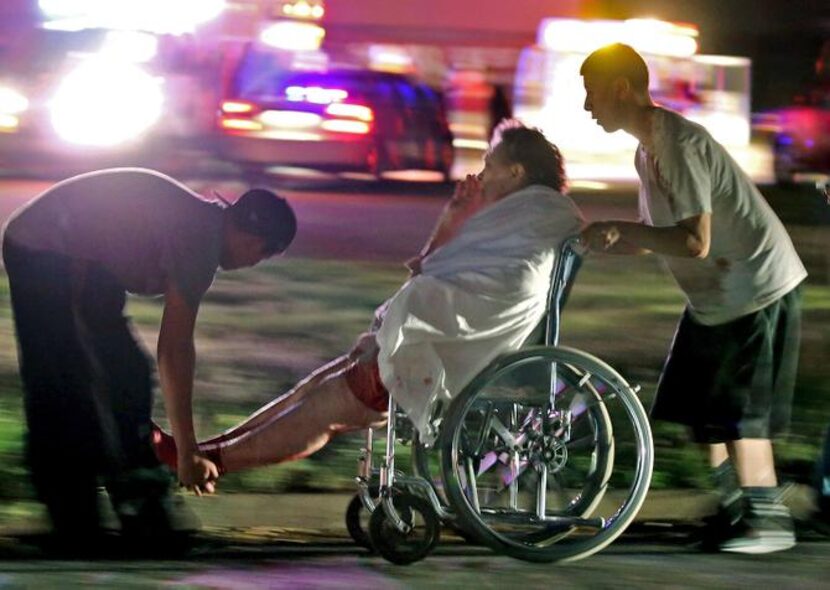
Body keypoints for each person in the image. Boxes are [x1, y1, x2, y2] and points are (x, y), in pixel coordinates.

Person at [150, 121, 584, 478]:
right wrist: (455, 216)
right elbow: (432, 267)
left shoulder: (529, 218)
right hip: (439, 331)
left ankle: (212, 461)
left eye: (491, 164)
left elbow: (441, 276)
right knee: (318, 384)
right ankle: (203, 451)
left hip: (450, 347)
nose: (482, 173)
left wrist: (403, 317)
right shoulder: (518, 219)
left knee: (327, 406)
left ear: (516, 173)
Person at [579, 43, 807, 554]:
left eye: (592, 94)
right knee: (701, 410)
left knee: (739, 414)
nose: (587, 107)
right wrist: (611, 241)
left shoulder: (675, 143)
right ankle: (732, 510)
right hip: (719, 295)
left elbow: (692, 242)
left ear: (620, 89)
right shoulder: (648, 149)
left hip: (754, 287)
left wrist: (622, 228)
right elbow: (660, 235)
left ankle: (768, 522)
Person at [1, 168, 296, 552]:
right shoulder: (200, 240)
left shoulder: (202, 225)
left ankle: (122, 508)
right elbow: (174, 351)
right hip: (45, 247)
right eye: (263, 254)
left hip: (80, 256)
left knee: (122, 377)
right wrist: (189, 454)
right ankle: (84, 517)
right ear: (255, 240)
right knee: (69, 383)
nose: (256, 262)